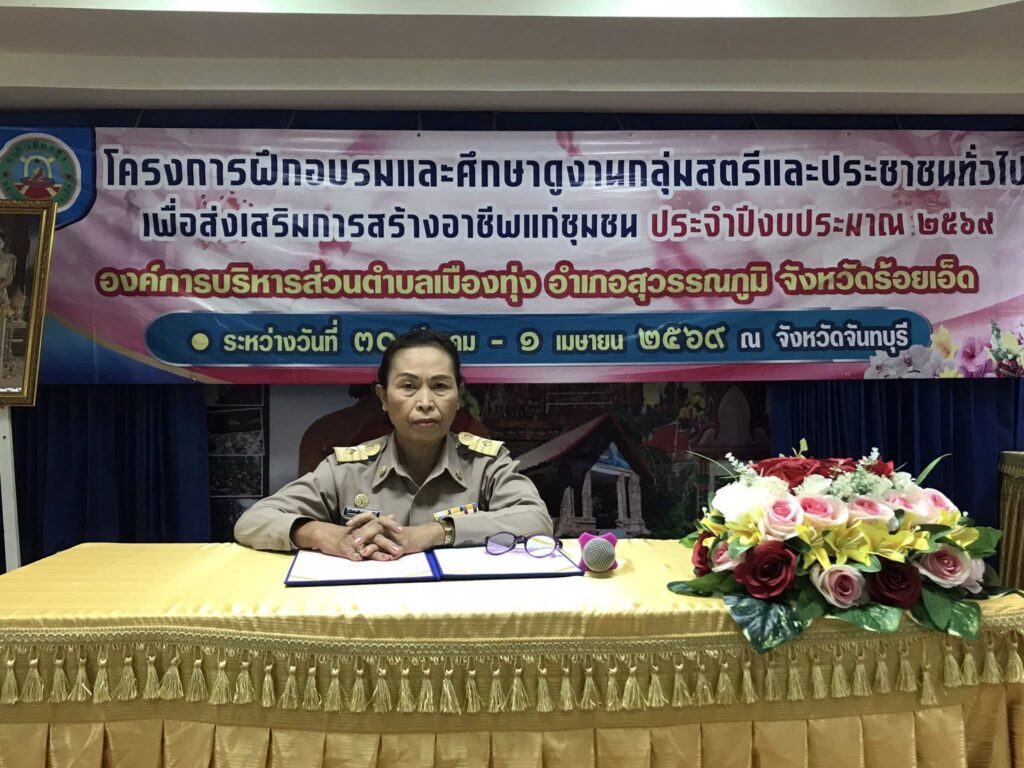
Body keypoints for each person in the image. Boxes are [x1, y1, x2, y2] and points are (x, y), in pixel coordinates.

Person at [235, 328, 552, 560]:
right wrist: (324, 534)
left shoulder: (486, 463)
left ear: (459, 396)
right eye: (408, 386)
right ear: (383, 397)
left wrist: (434, 533)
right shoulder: (347, 469)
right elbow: (253, 521)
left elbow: (536, 521)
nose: (425, 402)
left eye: (440, 386)